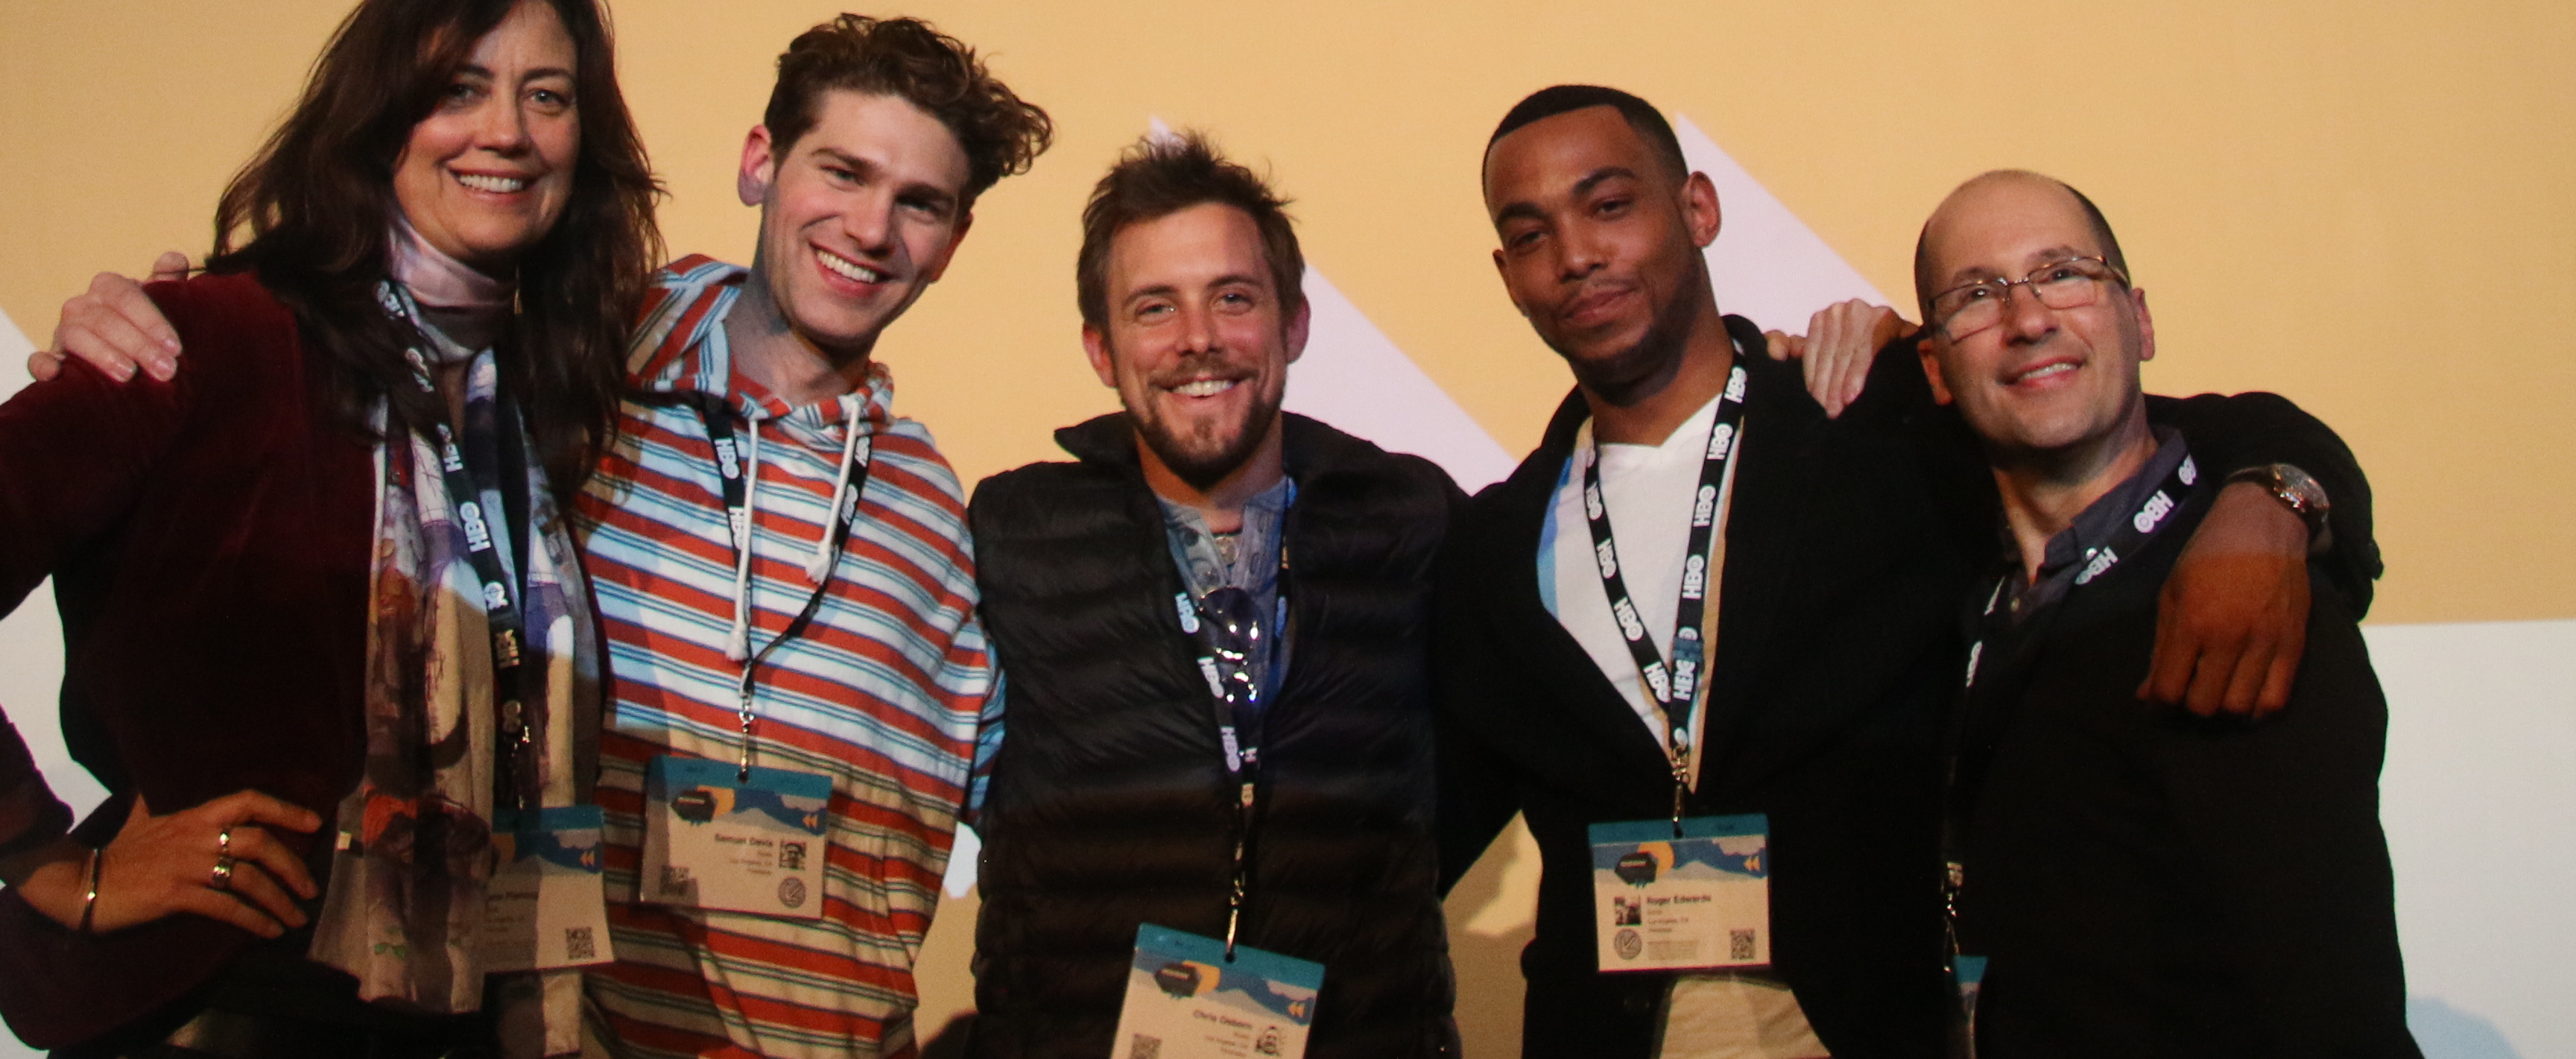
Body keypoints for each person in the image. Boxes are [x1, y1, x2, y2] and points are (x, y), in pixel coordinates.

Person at [48, 13, 1055, 1059]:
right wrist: (161, 337)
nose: (870, 228)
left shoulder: (931, 511)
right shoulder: (544, 372)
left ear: (953, 243)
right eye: (840, 172)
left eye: (920, 204)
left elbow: (1029, 790)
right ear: (760, 162)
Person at [0, 0, 662, 1057]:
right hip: (226, 1011)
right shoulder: (209, 340)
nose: (507, 133)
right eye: (457, 89)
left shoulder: (543, 404)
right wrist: (51, 864)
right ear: (380, 115)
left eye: (547, 96)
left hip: (464, 1019)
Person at [1434, 86, 2380, 1059]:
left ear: (1697, 208)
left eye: (1607, 205)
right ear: (1507, 274)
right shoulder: (1493, 548)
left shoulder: (1870, 418)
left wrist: (2271, 498)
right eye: (1531, 232)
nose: (1577, 254)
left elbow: (2145, 427)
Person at [961, 133, 1461, 1058]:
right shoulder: (1012, 532)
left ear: (1294, 323)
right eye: (1155, 308)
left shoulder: (1409, 521)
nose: (1198, 338)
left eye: (1233, 298)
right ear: (1101, 350)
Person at [1905, 170, 2416, 1058]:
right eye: (1978, 295)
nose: (2029, 319)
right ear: (1935, 367)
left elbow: (2327, 999)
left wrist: (2277, 497)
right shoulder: (1956, 582)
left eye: (2064, 272)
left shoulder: (2245, 596)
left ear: (2138, 320)